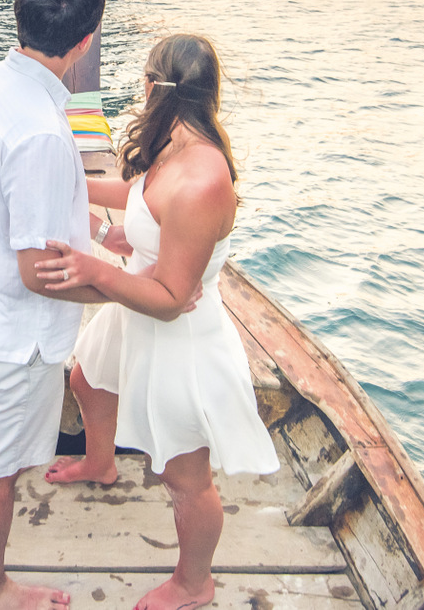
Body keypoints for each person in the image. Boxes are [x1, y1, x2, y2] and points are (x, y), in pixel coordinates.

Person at [35, 33, 279, 610]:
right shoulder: (174, 144)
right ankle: (101, 464)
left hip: (178, 334)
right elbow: (139, 194)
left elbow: (171, 297)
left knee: (181, 473)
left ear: (152, 87)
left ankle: (194, 584)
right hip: (138, 305)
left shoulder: (202, 178)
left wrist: (93, 266)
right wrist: (72, 186)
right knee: (87, 381)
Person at [0, 0, 108, 610]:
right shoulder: (40, 130)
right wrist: (118, 286)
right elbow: (40, 274)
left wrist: (77, 211)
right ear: (85, 42)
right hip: (16, 329)